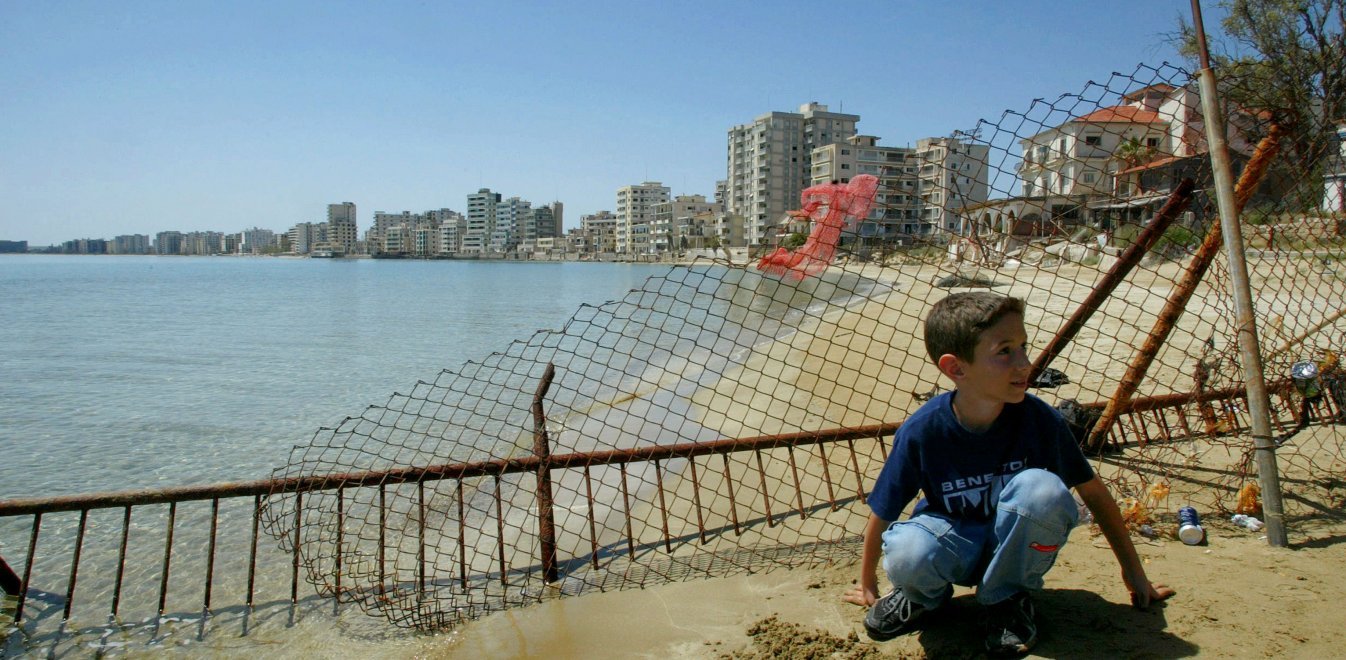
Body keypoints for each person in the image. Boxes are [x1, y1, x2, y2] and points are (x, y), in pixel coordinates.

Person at [843, 292, 1174, 655]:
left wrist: (1133, 571)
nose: (1025, 363)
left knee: (1044, 490)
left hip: (1014, 551)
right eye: (1004, 351)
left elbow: (1092, 491)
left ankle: (1007, 599)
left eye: (1023, 347)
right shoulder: (924, 431)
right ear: (956, 368)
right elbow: (883, 511)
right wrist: (867, 582)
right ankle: (922, 598)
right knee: (907, 549)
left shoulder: (1039, 419)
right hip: (954, 546)